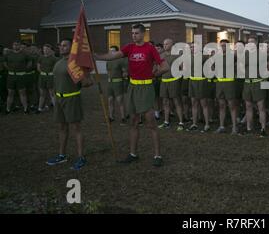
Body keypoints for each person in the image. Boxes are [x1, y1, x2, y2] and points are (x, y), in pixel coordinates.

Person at [96, 24, 169, 167]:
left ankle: (157, 155)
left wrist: (154, 75)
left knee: (151, 124)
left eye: (136, 33)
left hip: (146, 87)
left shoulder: (150, 48)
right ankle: (133, 154)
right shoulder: (129, 47)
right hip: (132, 87)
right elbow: (112, 56)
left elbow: (165, 67)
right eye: (132, 33)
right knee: (133, 122)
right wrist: (96, 56)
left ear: (143, 34)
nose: (134, 35)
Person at [46, 38, 93, 170]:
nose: (61, 47)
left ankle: (81, 157)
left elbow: (87, 83)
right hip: (59, 99)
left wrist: (87, 75)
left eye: (65, 45)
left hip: (72, 99)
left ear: (72, 47)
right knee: (62, 128)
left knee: (76, 129)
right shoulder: (59, 62)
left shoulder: (74, 63)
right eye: (60, 45)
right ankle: (62, 155)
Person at [241, 36, 267, 136]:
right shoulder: (245, 54)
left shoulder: (261, 54)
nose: (250, 44)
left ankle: (263, 128)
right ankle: (248, 128)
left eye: (252, 42)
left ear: (256, 43)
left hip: (258, 82)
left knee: (261, 107)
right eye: (249, 42)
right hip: (247, 82)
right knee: (248, 106)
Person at [158, 38, 185, 131]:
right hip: (164, 81)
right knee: (165, 102)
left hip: (174, 81)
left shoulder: (177, 55)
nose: (165, 46)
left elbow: (182, 68)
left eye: (167, 44)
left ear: (172, 45)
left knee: (177, 102)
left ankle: (181, 122)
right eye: (164, 44)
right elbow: (158, 68)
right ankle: (166, 122)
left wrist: (178, 77)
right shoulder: (161, 56)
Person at [215, 39, 239, 134]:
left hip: (230, 83)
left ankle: (234, 127)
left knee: (232, 106)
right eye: (221, 45)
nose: (222, 47)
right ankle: (221, 126)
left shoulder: (233, 56)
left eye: (224, 45)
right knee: (221, 106)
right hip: (219, 83)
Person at [5, 41, 31, 114]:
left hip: (21, 76)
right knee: (10, 93)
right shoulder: (9, 54)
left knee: (22, 93)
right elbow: (4, 62)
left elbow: (29, 62)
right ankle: (8, 109)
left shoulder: (24, 54)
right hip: (11, 76)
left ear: (20, 46)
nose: (16, 46)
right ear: (13, 46)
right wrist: (9, 69)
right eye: (14, 45)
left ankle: (26, 109)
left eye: (17, 45)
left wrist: (25, 68)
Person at [106, 46, 128, 125]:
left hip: (118, 83)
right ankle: (111, 117)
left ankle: (123, 118)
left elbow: (125, 73)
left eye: (113, 51)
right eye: (110, 51)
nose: (111, 52)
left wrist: (124, 79)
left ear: (117, 52)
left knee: (120, 101)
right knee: (110, 100)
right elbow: (108, 72)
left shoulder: (120, 61)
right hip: (110, 83)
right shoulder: (108, 61)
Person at [36, 44, 58, 113]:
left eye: (47, 49)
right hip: (42, 77)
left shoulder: (54, 58)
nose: (45, 50)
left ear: (50, 50)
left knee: (52, 93)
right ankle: (39, 108)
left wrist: (50, 74)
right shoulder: (41, 57)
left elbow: (56, 69)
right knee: (42, 94)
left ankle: (56, 109)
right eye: (44, 49)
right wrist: (43, 73)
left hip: (50, 77)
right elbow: (38, 67)